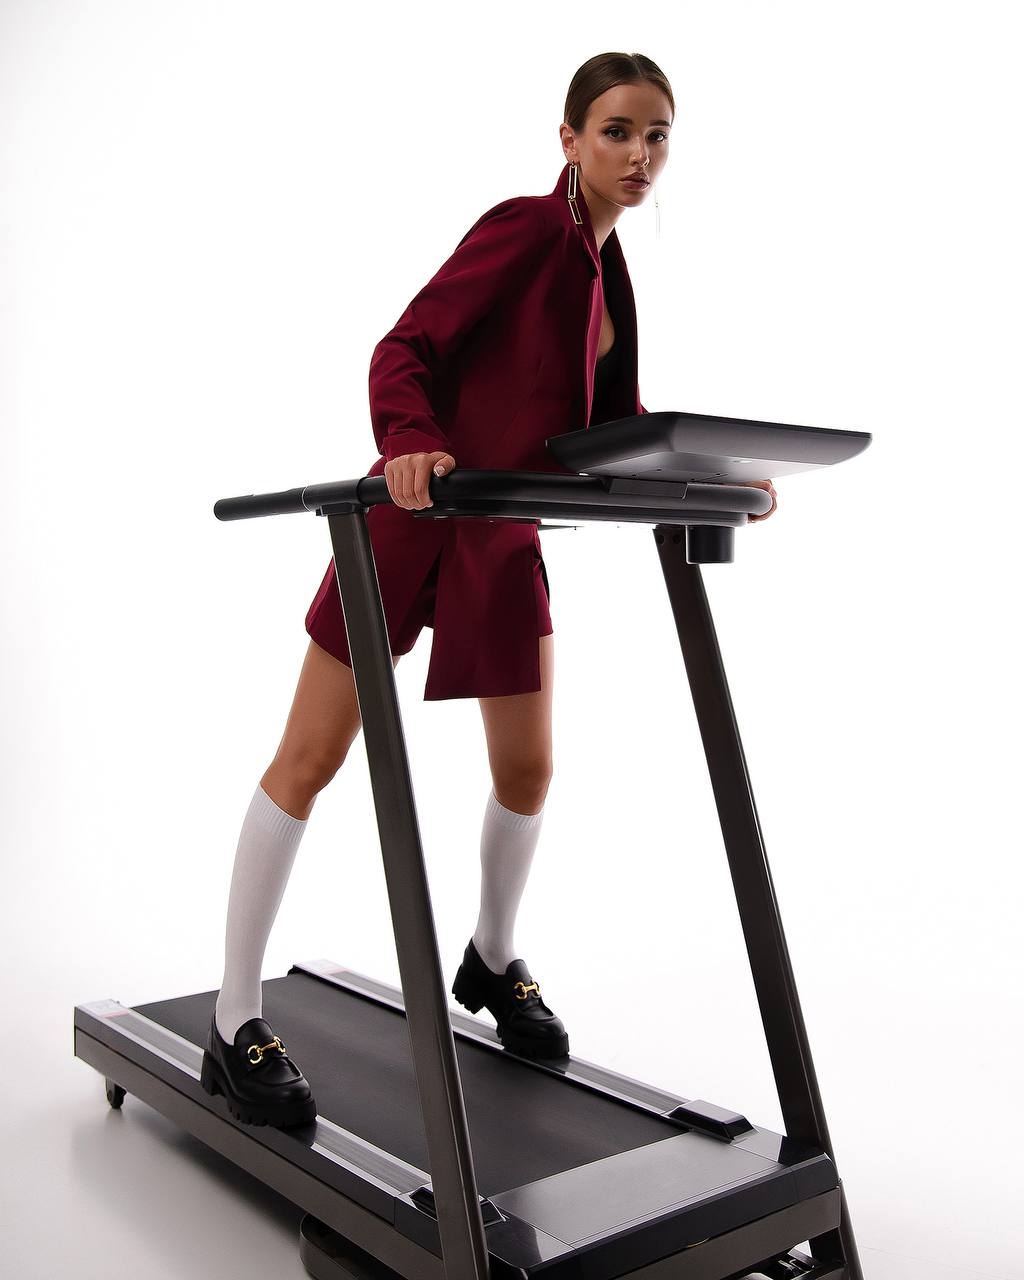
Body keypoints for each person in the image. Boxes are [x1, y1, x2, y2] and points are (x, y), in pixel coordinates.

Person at [200, 51, 778, 1129]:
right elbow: (402, 347)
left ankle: (491, 952)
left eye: (658, 135)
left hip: (502, 538)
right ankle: (235, 1017)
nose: (640, 154)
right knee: (312, 756)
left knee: (527, 766)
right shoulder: (524, 228)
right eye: (616, 130)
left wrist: (716, 482)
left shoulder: (612, 275)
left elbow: (610, 437)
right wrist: (412, 442)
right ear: (568, 138)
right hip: (412, 523)